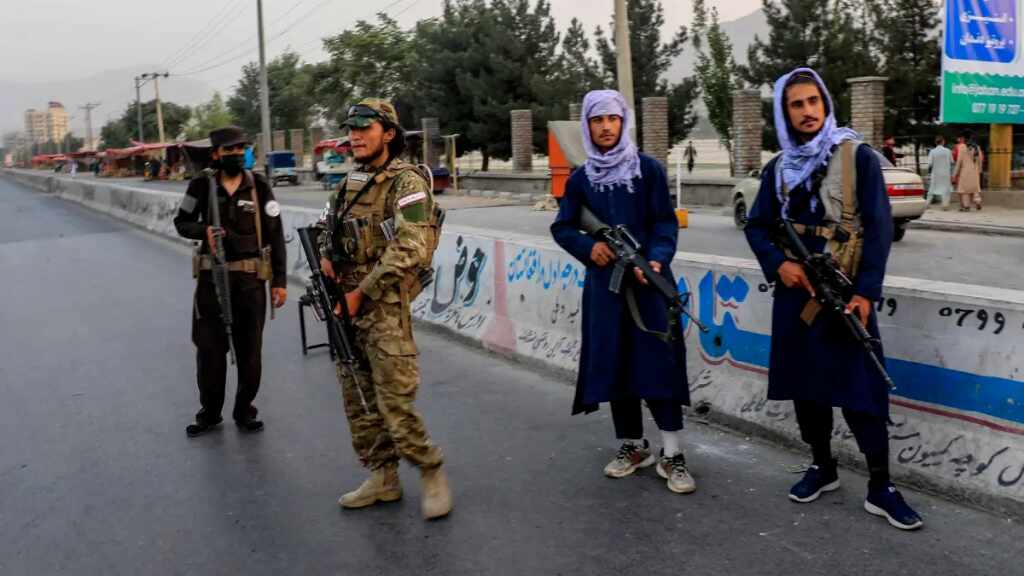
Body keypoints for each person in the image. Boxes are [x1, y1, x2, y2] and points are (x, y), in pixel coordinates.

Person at [743, 68, 923, 530]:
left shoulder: (857, 157)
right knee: (807, 386)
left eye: (813, 102)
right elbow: (759, 226)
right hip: (796, 294)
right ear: (785, 114)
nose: (807, 112)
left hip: (845, 292)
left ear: (825, 104)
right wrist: (778, 265)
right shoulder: (778, 168)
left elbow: (880, 228)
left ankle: (880, 486)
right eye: (796, 105)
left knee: (861, 389)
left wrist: (866, 292)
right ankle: (822, 466)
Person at [550, 89, 695, 495]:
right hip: (605, 289)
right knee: (616, 363)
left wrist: (656, 260)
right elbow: (563, 227)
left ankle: (672, 452)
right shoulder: (581, 179)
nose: (606, 127)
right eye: (597, 120)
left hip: (649, 285)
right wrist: (589, 247)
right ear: (587, 126)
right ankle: (632, 445)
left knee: (657, 364)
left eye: (612, 118)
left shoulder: (647, 170)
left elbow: (665, 225)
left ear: (624, 121)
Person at [317, 98, 452, 520]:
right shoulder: (350, 183)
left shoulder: (407, 182)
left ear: (388, 133)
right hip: (347, 304)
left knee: (394, 401)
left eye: (364, 127)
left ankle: (430, 469)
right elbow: (329, 228)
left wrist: (362, 293)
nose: (354, 135)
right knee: (358, 399)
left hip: (384, 307)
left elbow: (411, 246)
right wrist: (325, 254)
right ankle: (383, 477)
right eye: (351, 128)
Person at [173, 126, 288, 437]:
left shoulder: (259, 186)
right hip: (212, 284)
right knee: (209, 352)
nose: (236, 155)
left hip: (251, 285)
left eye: (241, 150)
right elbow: (181, 222)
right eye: (229, 151)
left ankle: (244, 410)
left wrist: (279, 280)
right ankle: (209, 413)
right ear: (216, 154)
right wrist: (204, 232)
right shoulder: (201, 185)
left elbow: (275, 234)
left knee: (250, 353)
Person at [953, 131, 984, 211]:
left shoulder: (962, 147)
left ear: (964, 138)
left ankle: (966, 205)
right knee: (975, 188)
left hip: (965, 171)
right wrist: (980, 170)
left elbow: (959, 161)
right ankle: (977, 201)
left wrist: (955, 173)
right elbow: (980, 159)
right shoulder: (977, 147)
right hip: (975, 171)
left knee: (964, 190)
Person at [927, 135, 954, 210]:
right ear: (943, 142)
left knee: (932, 188)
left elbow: (929, 163)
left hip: (935, 173)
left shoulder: (932, 151)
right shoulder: (948, 151)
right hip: (946, 173)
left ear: (936, 142)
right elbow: (952, 162)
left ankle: (927, 203)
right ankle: (945, 204)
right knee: (946, 188)